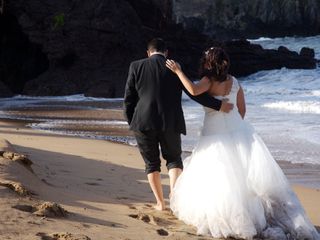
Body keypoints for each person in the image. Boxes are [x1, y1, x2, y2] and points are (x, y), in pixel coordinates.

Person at [166, 47, 320, 239]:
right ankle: (252, 215)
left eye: (205, 60)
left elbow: (193, 90)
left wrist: (178, 71)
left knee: (219, 178)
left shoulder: (208, 80)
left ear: (209, 63)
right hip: (239, 130)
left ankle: (232, 219)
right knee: (242, 178)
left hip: (214, 133)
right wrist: (235, 127)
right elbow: (242, 109)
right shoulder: (235, 81)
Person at [123, 39, 233, 211]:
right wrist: (219, 105)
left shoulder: (136, 66)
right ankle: (174, 197)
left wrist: (132, 122)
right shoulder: (174, 67)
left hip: (143, 122)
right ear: (166, 52)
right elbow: (194, 93)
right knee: (174, 159)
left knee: (151, 164)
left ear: (148, 52)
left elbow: (129, 99)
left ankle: (160, 203)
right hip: (171, 121)